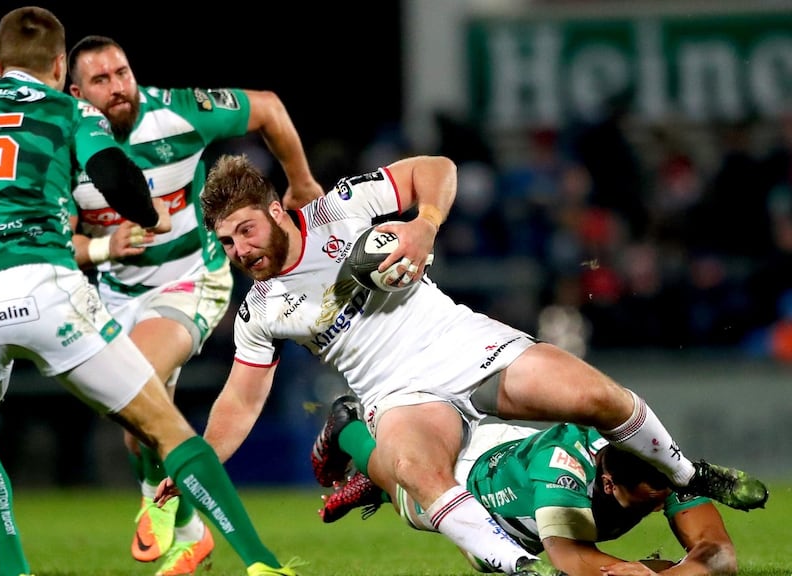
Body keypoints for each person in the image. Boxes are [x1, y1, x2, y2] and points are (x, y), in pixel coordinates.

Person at [177, 153, 767, 576]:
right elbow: (240, 399)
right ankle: (520, 569)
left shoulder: (341, 210)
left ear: (276, 211)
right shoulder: (260, 310)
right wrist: (197, 463)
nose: (240, 252)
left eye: (245, 232)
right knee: (419, 471)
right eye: (226, 244)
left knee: (598, 398)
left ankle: (691, 476)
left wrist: (422, 226)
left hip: (463, 342)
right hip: (398, 392)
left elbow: (437, 168)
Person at [0, 7, 299, 576]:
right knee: (162, 425)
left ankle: (14, 569)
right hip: (45, 290)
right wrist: (144, 213)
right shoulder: (69, 112)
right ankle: (259, 562)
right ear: (57, 67)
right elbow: (117, 177)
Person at [65, 35, 323, 575]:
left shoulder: (178, 112)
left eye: (123, 72)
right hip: (114, 292)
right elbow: (57, 237)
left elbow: (270, 108)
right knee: (140, 419)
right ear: (76, 92)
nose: (118, 86)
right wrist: (100, 247)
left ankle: (153, 501)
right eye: (102, 79)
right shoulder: (63, 144)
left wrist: (300, 181)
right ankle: (191, 531)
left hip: (190, 280)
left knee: (134, 381)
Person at [314, 397, 738, 576]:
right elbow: (569, 558)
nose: (663, 501)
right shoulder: (562, 473)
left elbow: (719, 552)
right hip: (474, 483)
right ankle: (349, 428)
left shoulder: (660, 466)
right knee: (404, 489)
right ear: (608, 484)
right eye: (651, 499)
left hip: (516, 456)